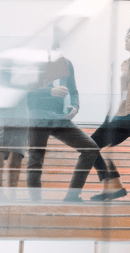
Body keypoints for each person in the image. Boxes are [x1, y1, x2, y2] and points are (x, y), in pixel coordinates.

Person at [25, 30, 100, 202]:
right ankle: (35, 206)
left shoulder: (67, 63)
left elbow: (73, 91)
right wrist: (49, 91)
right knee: (35, 162)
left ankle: (72, 196)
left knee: (91, 148)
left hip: (60, 118)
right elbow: (26, 94)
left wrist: (75, 106)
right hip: (38, 118)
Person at [88, 26, 130, 201]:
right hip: (119, 115)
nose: (125, 40)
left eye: (129, 37)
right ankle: (113, 184)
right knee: (90, 145)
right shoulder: (124, 63)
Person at [0, 99, 29, 201]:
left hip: (23, 109)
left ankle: (11, 193)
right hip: (7, 104)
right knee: (0, 144)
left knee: (18, 151)